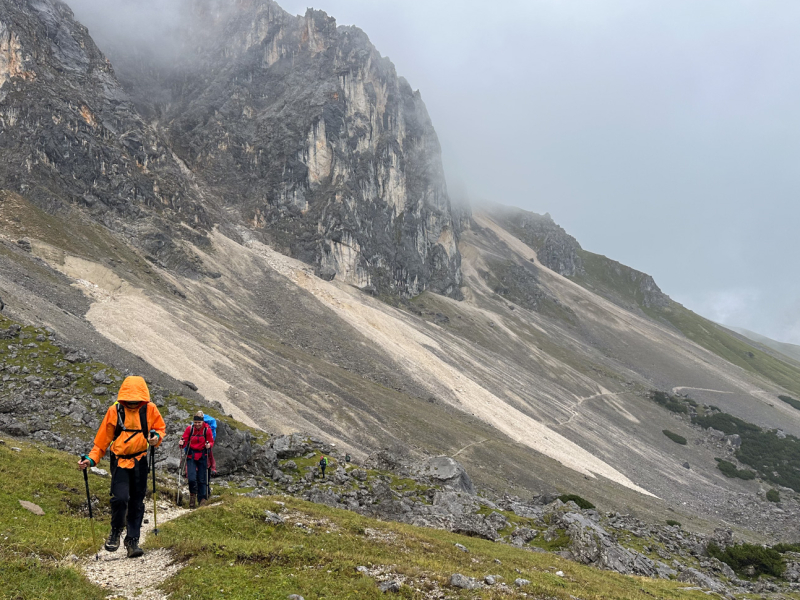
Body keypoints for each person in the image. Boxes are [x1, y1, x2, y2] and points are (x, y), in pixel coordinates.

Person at [78, 376, 166, 559]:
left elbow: (159, 428)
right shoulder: (114, 410)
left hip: (141, 462)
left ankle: (132, 541)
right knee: (120, 498)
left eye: (136, 401)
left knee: (136, 501)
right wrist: (90, 460)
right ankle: (116, 531)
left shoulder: (150, 409)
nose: (133, 404)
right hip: (119, 461)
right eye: (130, 401)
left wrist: (156, 438)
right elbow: (101, 443)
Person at [179, 411, 214, 508]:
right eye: (195, 422)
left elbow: (211, 441)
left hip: (203, 456)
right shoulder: (189, 429)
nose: (197, 424)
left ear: (202, 422)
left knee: (202, 479)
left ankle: (202, 499)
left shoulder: (207, 430)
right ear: (193, 422)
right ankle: (192, 496)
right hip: (191, 456)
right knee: (191, 478)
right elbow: (184, 440)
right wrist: (182, 443)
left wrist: (209, 445)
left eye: (199, 422)